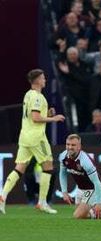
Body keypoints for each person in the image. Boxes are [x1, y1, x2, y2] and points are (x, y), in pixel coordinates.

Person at [0, 69, 65, 215]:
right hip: (37, 137)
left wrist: (47, 114)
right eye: (43, 78)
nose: (45, 80)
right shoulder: (37, 97)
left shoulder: (28, 94)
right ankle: (42, 202)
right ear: (36, 80)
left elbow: (32, 116)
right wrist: (53, 119)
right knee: (48, 167)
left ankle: (2, 196)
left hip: (25, 136)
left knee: (19, 168)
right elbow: (35, 118)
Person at [59, 134, 101, 219]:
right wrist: (64, 192)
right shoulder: (63, 156)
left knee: (77, 215)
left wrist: (99, 203)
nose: (70, 147)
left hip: (92, 188)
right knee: (82, 215)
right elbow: (62, 173)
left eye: (73, 145)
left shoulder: (85, 161)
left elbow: (97, 182)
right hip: (80, 188)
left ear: (79, 146)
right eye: (68, 144)